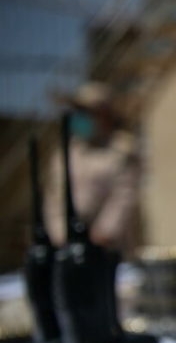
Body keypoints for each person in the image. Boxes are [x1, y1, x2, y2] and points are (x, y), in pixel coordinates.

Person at [45, 81, 141, 255]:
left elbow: (124, 196)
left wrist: (103, 233)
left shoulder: (121, 149)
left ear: (104, 114)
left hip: (107, 249)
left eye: (86, 112)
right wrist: (60, 234)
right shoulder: (66, 153)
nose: (80, 117)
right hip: (68, 246)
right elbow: (53, 197)